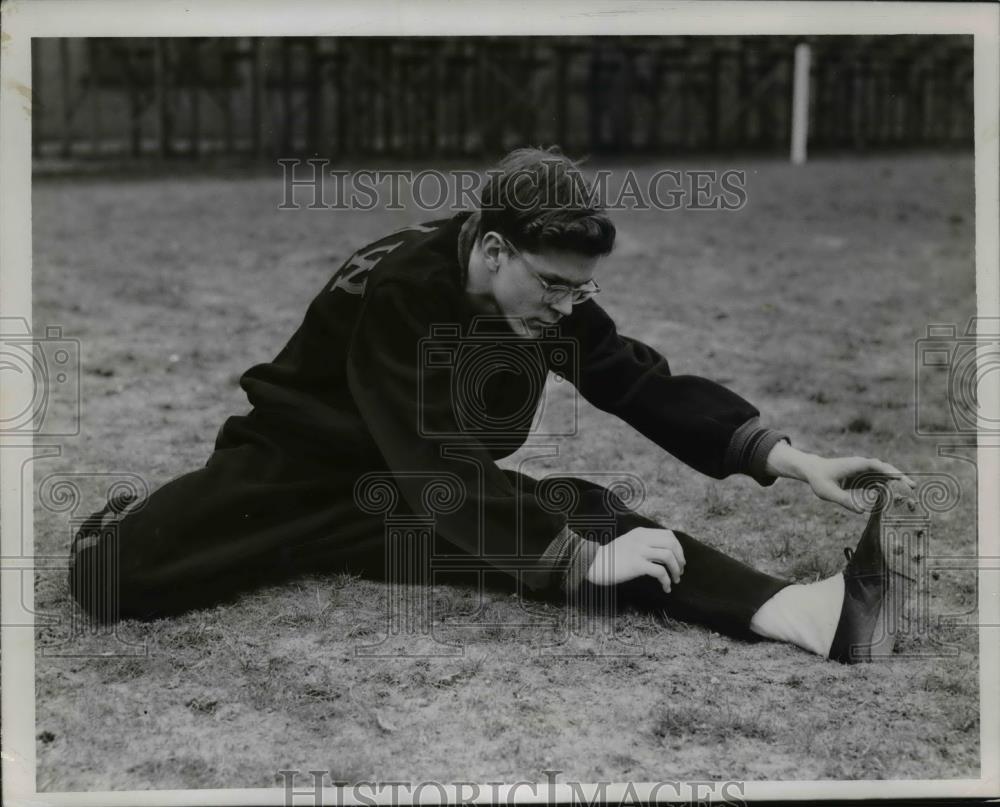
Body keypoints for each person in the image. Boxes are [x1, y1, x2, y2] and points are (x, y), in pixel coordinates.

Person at [69, 147, 916, 664]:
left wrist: (788, 455)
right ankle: (125, 518)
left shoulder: (548, 293)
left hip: (412, 493)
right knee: (118, 580)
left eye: (580, 290)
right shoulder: (402, 284)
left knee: (593, 521)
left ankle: (806, 613)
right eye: (553, 285)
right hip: (293, 474)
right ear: (494, 247)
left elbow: (633, 378)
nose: (565, 307)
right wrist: (578, 561)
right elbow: (431, 455)